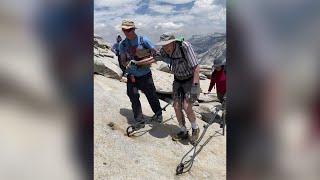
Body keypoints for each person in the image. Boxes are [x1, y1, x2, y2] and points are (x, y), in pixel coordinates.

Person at [154, 32, 201, 143]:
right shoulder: (164, 50)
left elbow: (196, 67)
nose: (165, 48)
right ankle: (183, 130)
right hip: (178, 79)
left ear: (173, 42)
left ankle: (195, 128)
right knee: (176, 106)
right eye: (163, 45)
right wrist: (139, 63)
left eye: (167, 44)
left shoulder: (185, 47)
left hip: (189, 79)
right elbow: (155, 59)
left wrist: (195, 86)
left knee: (187, 106)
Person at [118, 19, 162, 128]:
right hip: (132, 76)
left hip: (145, 74)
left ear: (133, 29)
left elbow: (157, 55)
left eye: (128, 29)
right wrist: (126, 64)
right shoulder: (122, 44)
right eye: (124, 30)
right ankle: (139, 120)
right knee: (133, 96)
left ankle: (158, 112)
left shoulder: (144, 41)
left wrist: (143, 62)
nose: (126, 32)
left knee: (151, 95)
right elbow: (123, 59)